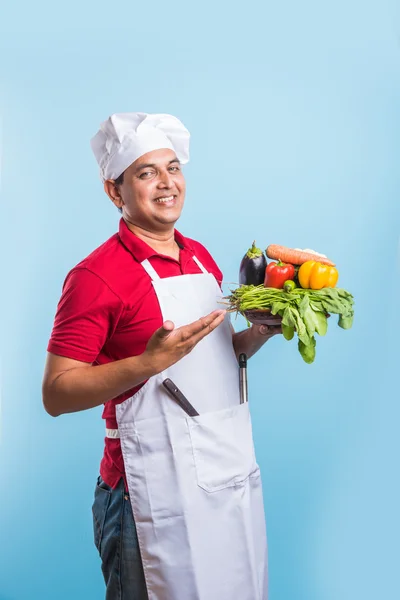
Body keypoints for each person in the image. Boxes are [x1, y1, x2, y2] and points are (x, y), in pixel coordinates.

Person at [42, 112, 282, 600]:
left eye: (173, 168)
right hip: (145, 492)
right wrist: (148, 363)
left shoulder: (199, 256)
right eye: (147, 173)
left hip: (224, 474)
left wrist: (260, 331)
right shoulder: (95, 276)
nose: (167, 183)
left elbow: (215, 358)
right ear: (116, 191)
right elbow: (57, 392)